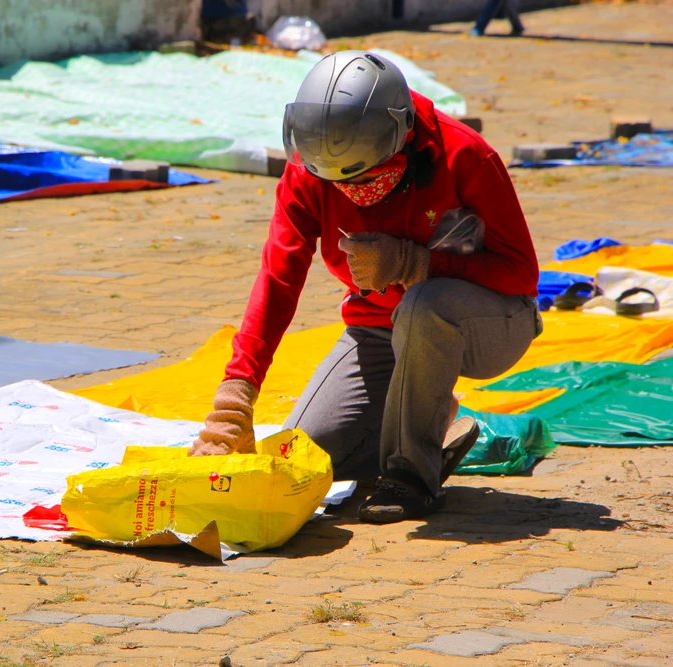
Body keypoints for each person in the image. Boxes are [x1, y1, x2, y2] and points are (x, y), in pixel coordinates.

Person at [188, 51, 541, 524]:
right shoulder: (311, 168)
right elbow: (278, 278)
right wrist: (235, 398)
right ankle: (435, 429)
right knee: (308, 452)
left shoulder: (465, 156)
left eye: (364, 178)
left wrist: (414, 263)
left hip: (490, 322)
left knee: (423, 304)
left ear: (401, 138)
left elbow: (521, 274)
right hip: (379, 330)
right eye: (333, 180)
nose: (348, 192)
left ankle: (411, 477)